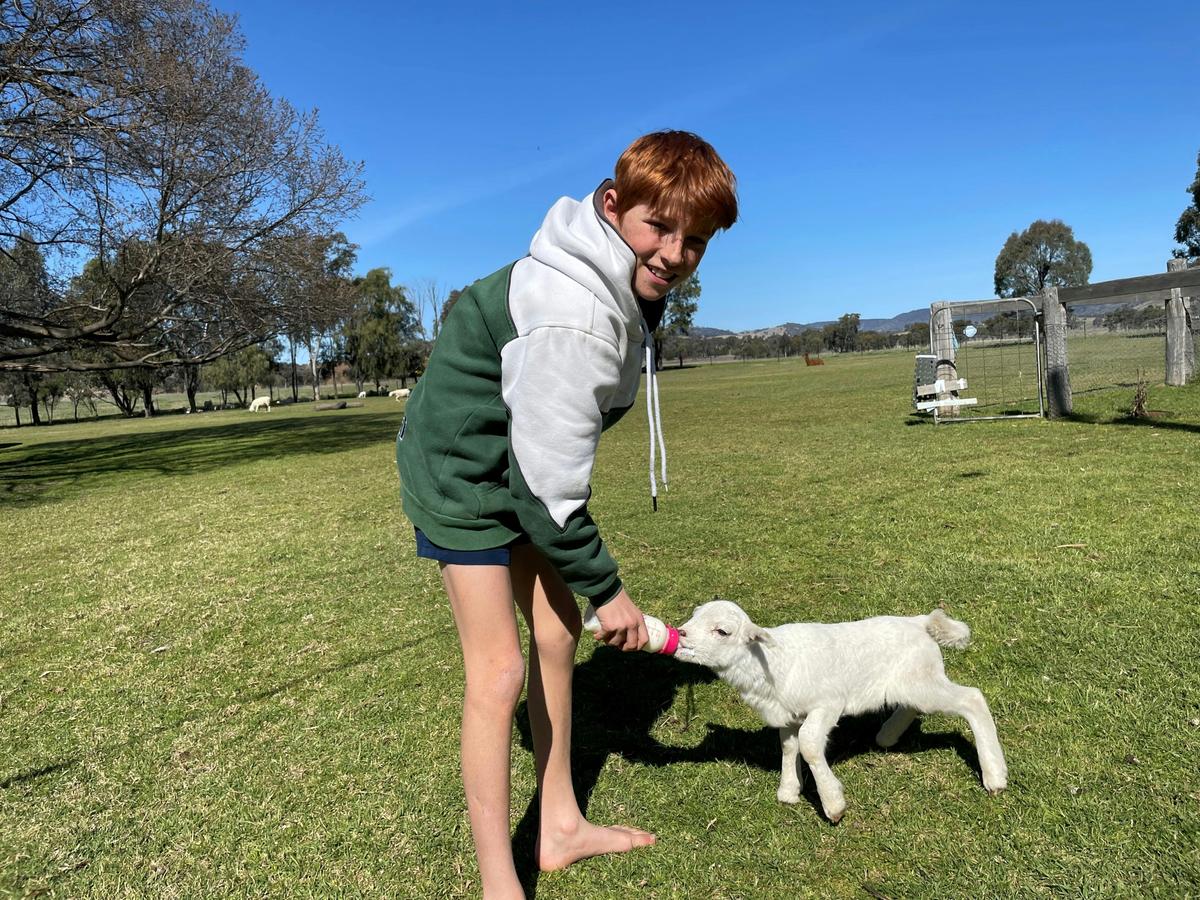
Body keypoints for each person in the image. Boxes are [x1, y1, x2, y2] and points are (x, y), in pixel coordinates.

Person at [396, 130, 738, 899]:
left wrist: (590, 594)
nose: (675, 254)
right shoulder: (572, 313)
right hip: (461, 473)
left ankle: (558, 827)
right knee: (499, 669)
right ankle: (499, 884)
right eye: (660, 228)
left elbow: (545, 468)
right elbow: (548, 493)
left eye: (696, 242)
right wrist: (608, 590)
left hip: (513, 466)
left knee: (555, 634)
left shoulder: (614, 281)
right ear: (614, 206)